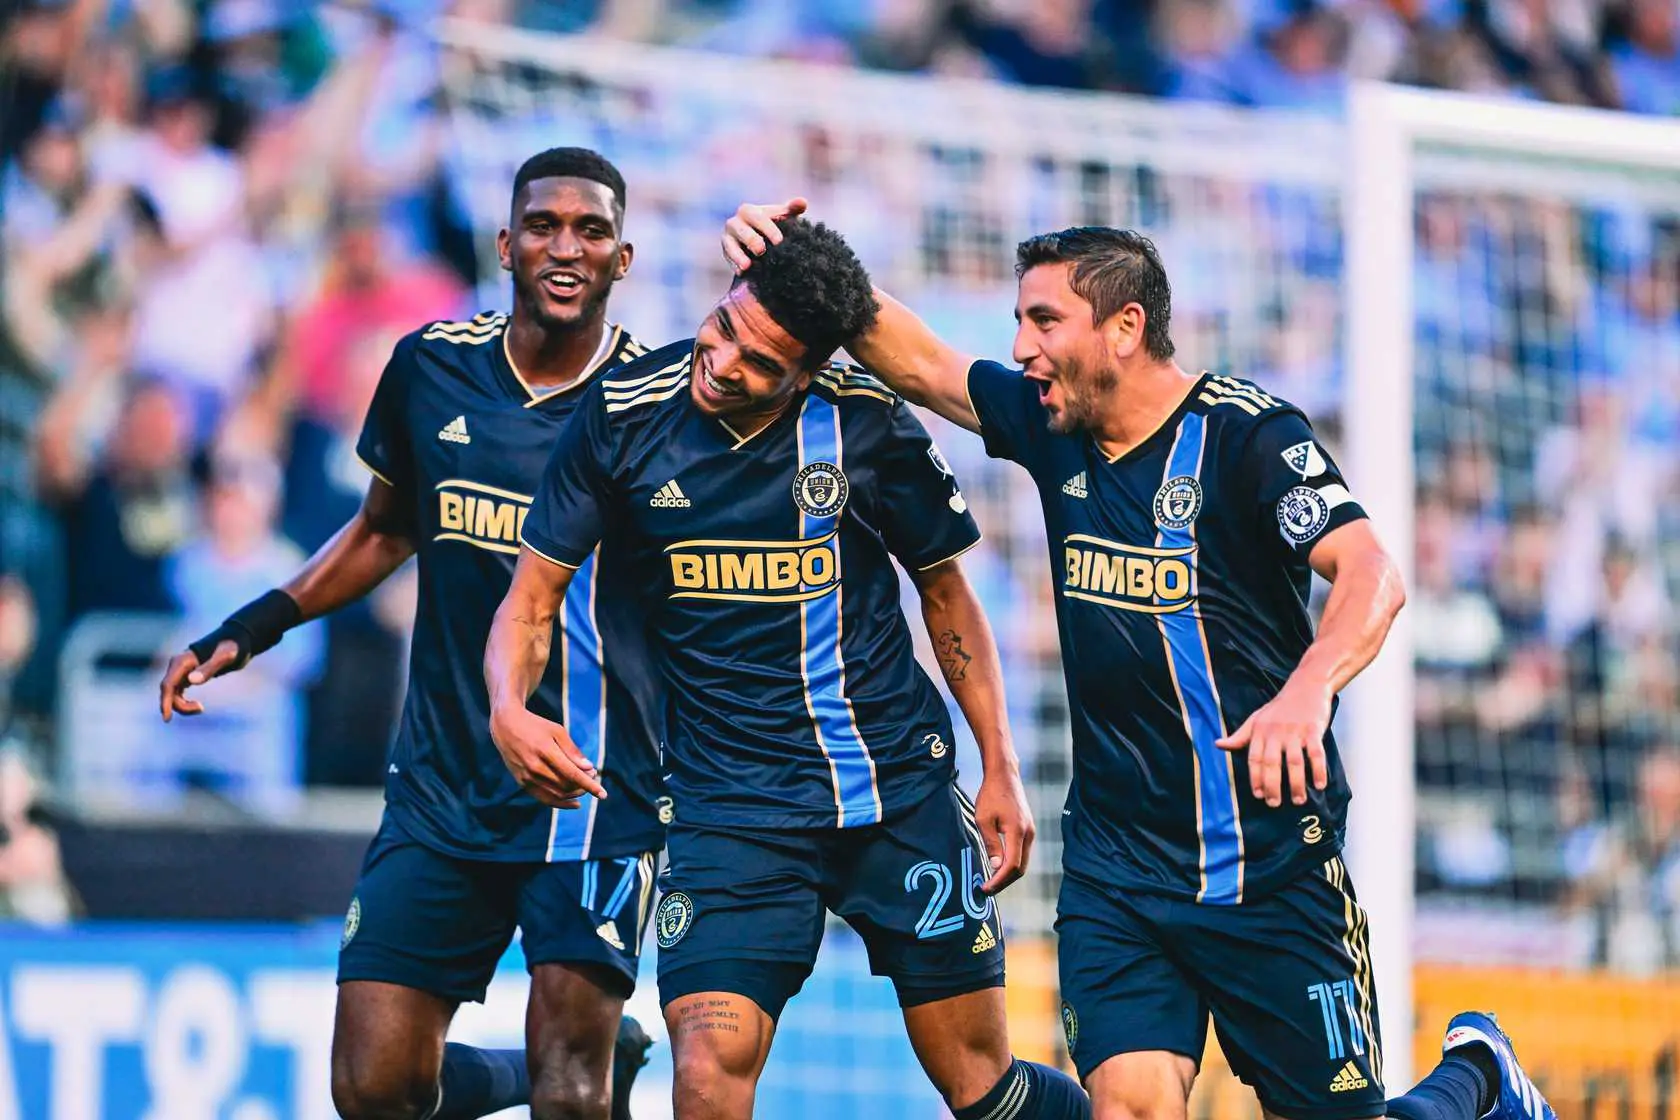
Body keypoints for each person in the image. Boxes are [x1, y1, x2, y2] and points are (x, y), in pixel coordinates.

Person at [722, 208, 1557, 1120]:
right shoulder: (1053, 427)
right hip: (1120, 871)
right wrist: (792, 255)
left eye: (1044, 322)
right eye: (1019, 320)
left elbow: (1373, 572)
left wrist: (1306, 691)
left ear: (1124, 328)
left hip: (1268, 868)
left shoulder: (1250, 437)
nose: (1020, 346)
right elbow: (920, 362)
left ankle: (1477, 1078)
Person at [486, 216, 1089, 1120]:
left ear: (809, 373)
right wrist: (507, 705)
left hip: (895, 790)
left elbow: (949, 597)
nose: (725, 363)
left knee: (982, 1088)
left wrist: (999, 763)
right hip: (731, 811)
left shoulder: (863, 424)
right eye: (725, 328)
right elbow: (531, 599)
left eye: (762, 364)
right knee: (705, 1069)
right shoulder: (619, 415)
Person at [158, 148, 662, 1120]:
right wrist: (257, 623)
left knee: (573, 1092)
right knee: (375, 1086)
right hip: (441, 779)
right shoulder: (431, 369)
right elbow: (388, 528)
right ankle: (555, 1070)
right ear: (503, 243)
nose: (567, 247)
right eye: (545, 226)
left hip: (590, 790)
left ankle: (591, 1070)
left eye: (591, 230)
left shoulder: (657, 405)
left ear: (623, 258)